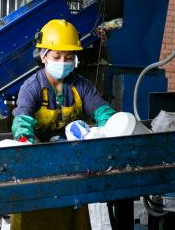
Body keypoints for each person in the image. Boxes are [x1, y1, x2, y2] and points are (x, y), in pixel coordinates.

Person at [10, 19, 116, 230]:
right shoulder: (32, 87)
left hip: (71, 162)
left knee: (73, 213)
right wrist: (24, 141)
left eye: (68, 57)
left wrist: (113, 125)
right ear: (43, 56)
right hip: (37, 163)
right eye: (56, 56)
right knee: (33, 214)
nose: (63, 61)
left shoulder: (81, 86)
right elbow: (21, 119)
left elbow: (101, 110)